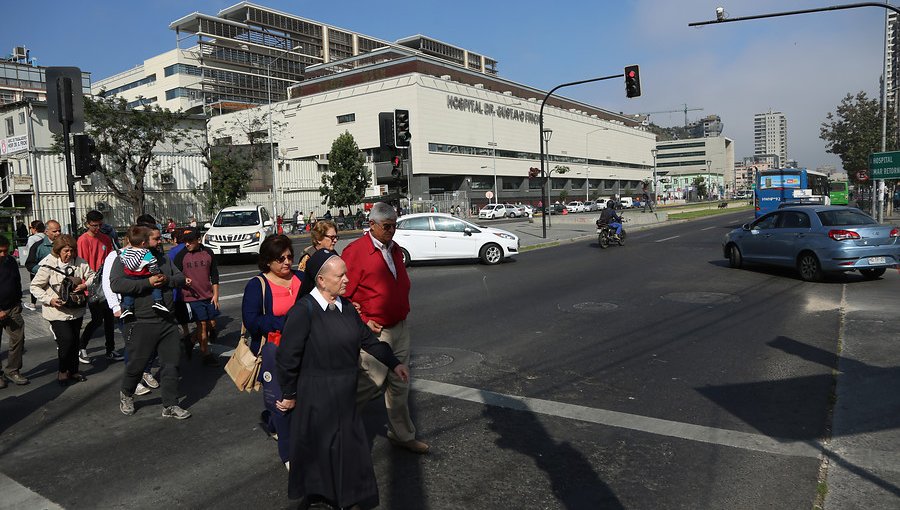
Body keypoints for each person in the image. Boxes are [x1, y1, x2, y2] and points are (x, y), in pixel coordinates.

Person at [276, 249, 409, 508]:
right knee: (323, 450)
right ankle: (322, 497)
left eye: (346, 273)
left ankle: (345, 497)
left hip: (344, 391)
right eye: (341, 275)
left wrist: (394, 364)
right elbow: (287, 358)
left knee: (347, 448)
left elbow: (369, 341)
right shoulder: (304, 311)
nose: (347, 279)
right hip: (316, 394)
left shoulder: (345, 307)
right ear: (321, 280)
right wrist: (290, 395)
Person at [343, 201, 429, 454]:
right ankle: (337, 425)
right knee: (370, 382)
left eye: (394, 226)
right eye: (387, 226)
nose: (391, 231)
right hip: (375, 331)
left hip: (399, 326)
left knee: (400, 384)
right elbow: (341, 295)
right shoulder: (356, 252)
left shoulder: (395, 249)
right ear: (372, 225)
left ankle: (402, 434)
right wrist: (362, 322)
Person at [111, 223, 190, 419]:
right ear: (144, 241)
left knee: (171, 363)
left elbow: (180, 278)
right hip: (140, 321)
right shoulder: (123, 259)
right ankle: (127, 393)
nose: (159, 241)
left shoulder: (162, 258)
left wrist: (166, 280)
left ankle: (170, 405)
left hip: (167, 320)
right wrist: (147, 283)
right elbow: (116, 283)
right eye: (155, 238)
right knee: (137, 363)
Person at [241, 235, 305, 467]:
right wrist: (282, 324)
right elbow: (251, 320)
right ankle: (289, 456)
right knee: (282, 403)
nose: (287, 262)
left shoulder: (301, 278)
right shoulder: (257, 285)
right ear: (268, 261)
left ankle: (276, 426)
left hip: (305, 349)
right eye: (281, 258)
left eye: (290, 257)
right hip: (274, 352)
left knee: (302, 398)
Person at [30, 235, 95, 386]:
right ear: (58, 251)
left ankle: (74, 371)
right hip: (57, 312)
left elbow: (92, 275)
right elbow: (34, 286)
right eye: (66, 251)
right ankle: (62, 371)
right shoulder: (47, 265)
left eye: (72, 251)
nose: (69, 254)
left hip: (76, 309)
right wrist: (49, 300)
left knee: (74, 341)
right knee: (66, 340)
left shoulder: (79, 262)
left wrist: (85, 285)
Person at [100, 231, 154, 396]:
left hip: (144, 305)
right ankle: (134, 381)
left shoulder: (145, 253)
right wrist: (115, 306)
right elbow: (108, 283)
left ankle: (145, 370)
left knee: (148, 343)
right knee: (132, 346)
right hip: (125, 306)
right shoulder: (115, 255)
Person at [77, 210, 122, 364]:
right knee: (97, 319)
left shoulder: (106, 238)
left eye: (100, 225)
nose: (97, 228)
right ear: (87, 224)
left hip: (106, 283)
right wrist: (85, 286)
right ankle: (81, 346)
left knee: (110, 318)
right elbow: (82, 264)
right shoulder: (83, 240)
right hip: (91, 284)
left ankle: (110, 349)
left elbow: (111, 259)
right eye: (94, 225)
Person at [173, 230, 220, 367]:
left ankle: (192, 340)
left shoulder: (208, 252)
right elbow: (174, 276)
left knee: (212, 324)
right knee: (202, 324)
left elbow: (214, 275)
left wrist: (216, 295)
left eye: (190, 241)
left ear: (198, 240)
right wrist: (182, 280)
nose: (187, 244)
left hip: (209, 295)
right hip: (191, 297)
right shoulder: (181, 256)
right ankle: (206, 355)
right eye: (185, 241)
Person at [118, 226, 169, 319]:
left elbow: (121, 258)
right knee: (156, 286)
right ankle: (158, 301)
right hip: (143, 275)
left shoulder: (126, 251)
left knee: (129, 292)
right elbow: (152, 263)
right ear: (143, 243)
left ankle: (127, 308)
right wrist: (156, 272)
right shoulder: (146, 253)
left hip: (130, 275)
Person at [0, 236, 28, 388]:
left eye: (6, 251)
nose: (3, 254)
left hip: (12, 307)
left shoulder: (10, 261)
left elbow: (16, 281)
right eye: (0, 251)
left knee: (18, 338)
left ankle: (12, 370)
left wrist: (18, 301)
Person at [22, 220, 46, 311]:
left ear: (34, 229)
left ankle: (33, 303)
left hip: (36, 264)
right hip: (45, 263)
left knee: (34, 284)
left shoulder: (32, 238)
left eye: (31, 228)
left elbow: (31, 252)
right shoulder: (46, 236)